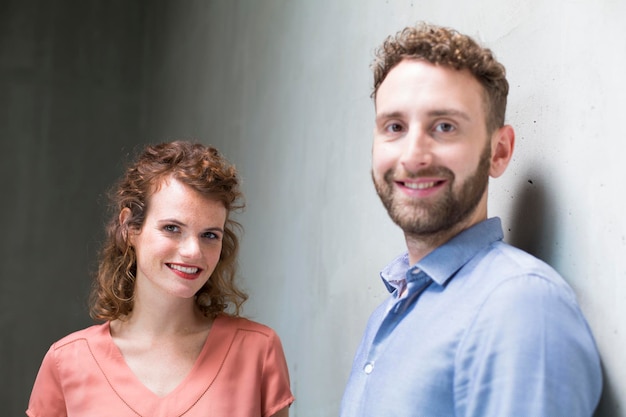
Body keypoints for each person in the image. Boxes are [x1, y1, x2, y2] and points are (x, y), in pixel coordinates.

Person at [340, 23, 602, 416]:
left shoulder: (520, 305)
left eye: (444, 127)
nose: (413, 156)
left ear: (499, 152)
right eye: (394, 127)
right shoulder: (389, 312)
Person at [27, 141, 294, 417]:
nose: (193, 251)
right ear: (130, 228)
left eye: (210, 235)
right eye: (172, 228)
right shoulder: (66, 362)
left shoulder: (258, 352)